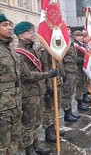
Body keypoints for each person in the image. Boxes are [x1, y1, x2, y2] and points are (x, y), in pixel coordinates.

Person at [14, 21, 58, 155]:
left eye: (31, 31)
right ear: (20, 34)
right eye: (28, 32)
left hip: (38, 91)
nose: (31, 33)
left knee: (37, 121)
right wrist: (48, 75)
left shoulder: (33, 49)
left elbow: (41, 65)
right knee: (28, 123)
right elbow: (27, 75)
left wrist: (46, 86)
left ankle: (36, 145)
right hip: (28, 94)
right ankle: (29, 149)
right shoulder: (19, 53)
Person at [0, 13, 24, 154]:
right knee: (3, 144)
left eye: (10, 25)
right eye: (5, 25)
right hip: (2, 107)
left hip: (14, 103)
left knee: (15, 140)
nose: (9, 28)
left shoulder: (10, 49)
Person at [39, 47, 65, 143]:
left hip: (57, 82)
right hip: (49, 83)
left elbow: (58, 63)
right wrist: (48, 87)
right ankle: (48, 132)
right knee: (48, 109)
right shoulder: (43, 51)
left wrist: (63, 74)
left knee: (55, 108)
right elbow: (44, 68)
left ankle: (54, 128)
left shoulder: (54, 48)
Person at [61, 25, 80, 122]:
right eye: (66, 29)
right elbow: (60, 59)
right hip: (67, 71)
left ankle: (70, 111)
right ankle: (66, 113)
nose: (69, 31)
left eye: (69, 29)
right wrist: (63, 73)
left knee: (70, 92)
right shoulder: (62, 42)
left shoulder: (70, 42)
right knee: (66, 94)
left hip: (73, 70)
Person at [73, 30, 90, 111]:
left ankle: (84, 96)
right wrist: (85, 60)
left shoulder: (82, 44)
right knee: (79, 85)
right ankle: (79, 102)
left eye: (82, 36)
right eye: (79, 36)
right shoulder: (75, 46)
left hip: (83, 68)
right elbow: (75, 59)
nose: (82, 37)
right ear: (75, 37)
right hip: (78, 68)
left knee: (84, 82)